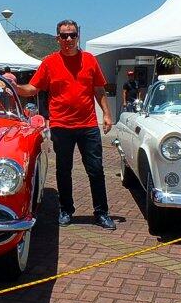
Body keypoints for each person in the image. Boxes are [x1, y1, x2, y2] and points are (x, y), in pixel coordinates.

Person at [13, 19, 116, 230]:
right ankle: (66, 210)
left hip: (87, 125)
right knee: (63, 170)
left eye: (72, 35)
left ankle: (101, 212)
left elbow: (99, 90)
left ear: (78, 36)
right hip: (61, 125)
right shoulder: (49, 62)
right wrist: (14, 86)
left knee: (95, 170)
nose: (68, 39)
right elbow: (33, 89)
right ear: (57, 38)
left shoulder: (89, 60)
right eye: (64, 35)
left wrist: (106, 114)